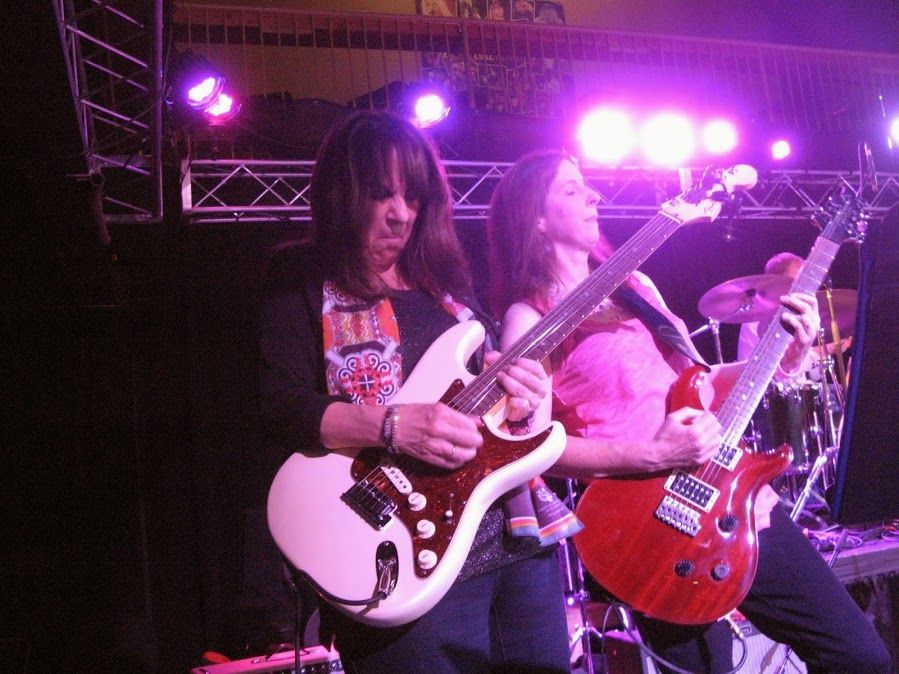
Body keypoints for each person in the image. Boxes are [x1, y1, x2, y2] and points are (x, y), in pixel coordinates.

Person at [487, 149, 891, 674]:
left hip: (735, 500)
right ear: (535, 219)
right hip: (650, 525)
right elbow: (532, 448)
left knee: (860, 656)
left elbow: (700, 381)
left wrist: (784, 355)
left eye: (587, 184)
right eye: (571, 189)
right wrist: (652, 454)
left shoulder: (636, 287)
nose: (593, 196)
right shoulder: (529, 318)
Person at [257, 111, 573, 673]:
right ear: (342, 193)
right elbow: (281, 406)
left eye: (413, 196)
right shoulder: (300, 275)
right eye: (381, 194)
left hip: (514, 544)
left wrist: (517, 393)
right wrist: (394, 426)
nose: (400, 213)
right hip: (400, 558)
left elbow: (492, 409)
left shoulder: (445, 287)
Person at [737, 251, 804, 361]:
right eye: (796, 281)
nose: (802, 288)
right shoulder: (754, 321)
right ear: (777, 281)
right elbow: (779, 365)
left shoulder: (797, 314)